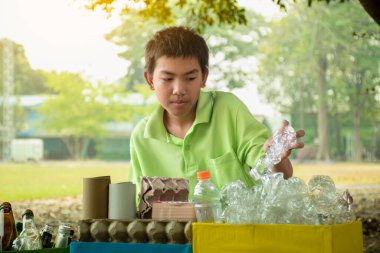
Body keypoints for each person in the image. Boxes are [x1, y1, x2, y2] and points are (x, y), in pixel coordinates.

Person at [128, 26, 305, 197]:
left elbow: (279, 175)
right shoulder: (141, 137)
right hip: (175, 228)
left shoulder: (229, 110)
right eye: (167, 78)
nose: (179, 89)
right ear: (150, 80)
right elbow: (138, 203)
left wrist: (276, 157)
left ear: (204, 77)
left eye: (190, 78)